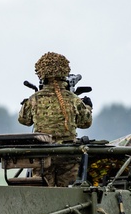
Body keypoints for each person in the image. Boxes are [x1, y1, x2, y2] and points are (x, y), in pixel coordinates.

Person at [17, 52, 93, 186]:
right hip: (68, 156)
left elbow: (24, 120)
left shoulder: (35, 99)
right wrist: (88, 107)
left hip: (42, 156)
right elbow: (86, 122)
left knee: (44, 192)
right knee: (67, 193)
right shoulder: (72, 99)